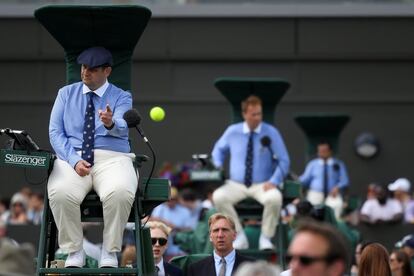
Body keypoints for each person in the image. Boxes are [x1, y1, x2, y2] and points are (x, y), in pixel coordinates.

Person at [47, 46, 138, 268]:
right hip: (73, 157)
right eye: (84, 67)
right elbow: (55, 132)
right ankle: (74, 251)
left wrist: (110, 123)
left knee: (120, 192)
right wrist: (73, 160)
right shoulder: (65, 93)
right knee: (59, 193)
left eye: (93, 69)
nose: (85, 72)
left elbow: (124, 124)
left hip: (113, 158)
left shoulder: (121, 95)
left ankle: (110, 250)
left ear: (107, 71)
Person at [212, 95, 290, 250]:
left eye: (259, 114)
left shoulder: (271, 132)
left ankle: (265, 238)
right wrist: (218, 165)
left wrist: (274, 181)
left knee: (275, 198)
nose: (257, 117)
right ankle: (239, 236)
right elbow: (218, 151)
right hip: (236, 184)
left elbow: (284, 160)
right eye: (253, 114)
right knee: (218, 196)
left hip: (263, 184)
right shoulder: (232, 131)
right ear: (245, 114)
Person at [187, 213, 254, 276]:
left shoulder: (252, 266)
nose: (220, 235)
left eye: (224, 230)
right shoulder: (196, 269)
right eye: (216, 230)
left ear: (234, 235)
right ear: (210, 236)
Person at [299, 141, 349, 219]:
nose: (321, 153)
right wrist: (297, 181)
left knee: (336, 207)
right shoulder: (313, 164)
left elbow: (344, 180)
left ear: (330, 151)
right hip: (315, 193)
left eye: (324, 151)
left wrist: (337, 187)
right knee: (311, 211)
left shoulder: (338, 164)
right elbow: (305, 179)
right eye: (320, 151)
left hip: (332, 194)